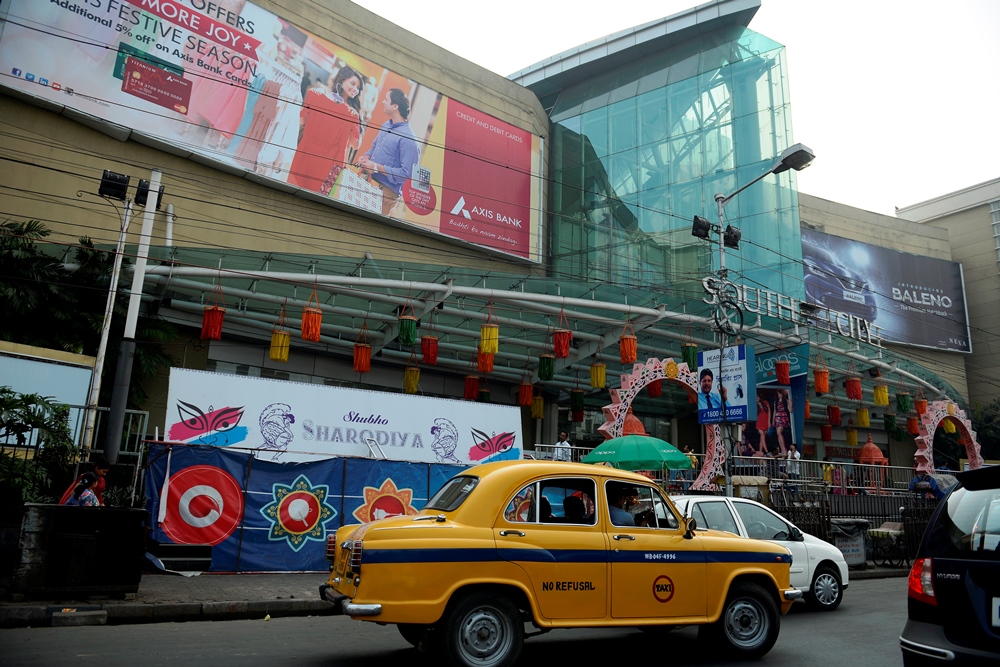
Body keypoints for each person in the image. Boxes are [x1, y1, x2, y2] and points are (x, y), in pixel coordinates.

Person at [288, 66, 365, 192]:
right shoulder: (352, 114)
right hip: (328, 166)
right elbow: (355, 144)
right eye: (353, 83)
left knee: (292, 192)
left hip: (306, 156)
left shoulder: (315, 95)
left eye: (358, 88)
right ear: (342, 79)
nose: (355, 89)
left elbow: (302, 121)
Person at [357, 88, 420, 217]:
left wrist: (376, 167)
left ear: (395, 106)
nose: (382, 102)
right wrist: (367, 156)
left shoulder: (409, 140)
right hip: (369, 182)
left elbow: (405, 174)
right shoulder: (386, 125)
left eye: (386, 99)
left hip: (385, 195)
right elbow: (375, 146)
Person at [772, 389, 791, 454]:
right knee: (778, 433)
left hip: (783, 417)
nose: (779, 395)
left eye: (780, 394)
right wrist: (773, 420)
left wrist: (789, 403)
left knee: (779, 432)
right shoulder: (776, 402)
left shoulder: (785, 401)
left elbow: (789, 410)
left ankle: (784, 448)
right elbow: (775, 411)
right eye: (778, 394)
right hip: (777, 417)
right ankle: (782, 448)